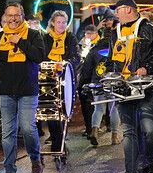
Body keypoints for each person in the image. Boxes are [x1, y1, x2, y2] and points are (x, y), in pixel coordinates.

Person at [106, 0, 153, 173]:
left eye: (117, 10)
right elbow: (111, 59)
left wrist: (147, 68)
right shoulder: (114, 33)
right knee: (129, 133)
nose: (115, 14)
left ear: (128, 9)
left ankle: (150, 162)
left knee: (150, 130)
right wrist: (108, 74)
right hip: (122, 88)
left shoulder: (149, 30)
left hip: (145, 89)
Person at [0, 3, 46, 173]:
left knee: (28, 129)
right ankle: (10, 172)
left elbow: (39, 56)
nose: (13, 18)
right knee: (7, 133)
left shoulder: (33, 35)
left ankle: (35, 159)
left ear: (22, 16)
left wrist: (20, 42)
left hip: (27, 91)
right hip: (6, 92)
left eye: (17, 15)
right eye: (10, 15)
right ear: (5, 17)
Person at [78, 15, 122, 146]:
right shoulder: (118, 47)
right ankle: (114, 137)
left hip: (98, 81)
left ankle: (95, 131)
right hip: (114, 81)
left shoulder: (95, 49)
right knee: (114, 108)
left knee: (98, 109)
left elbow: (87, 68)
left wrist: (84, 84)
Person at [43, 10, 80, 152]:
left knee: (64, 110)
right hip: (49, 79)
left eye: (64, 22)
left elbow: (76, 58)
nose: (61, 25)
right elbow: (41, 56)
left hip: (66, 78)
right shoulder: (45, 38)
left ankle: (60, 139)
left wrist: (64, 65)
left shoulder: (71, 38)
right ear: (52, 23)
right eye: (58, 22)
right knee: (51, 110)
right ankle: (56, 140)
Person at [77, 24, 99, 138]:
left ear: (96, 33)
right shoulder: (81, 44)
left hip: (94, 78)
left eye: (91, 33)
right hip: (83, 78)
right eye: (87, 33)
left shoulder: (99, 44)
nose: (89, 36)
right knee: (85, 104)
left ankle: (94, 128)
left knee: (94, 105)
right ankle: (88, 128)